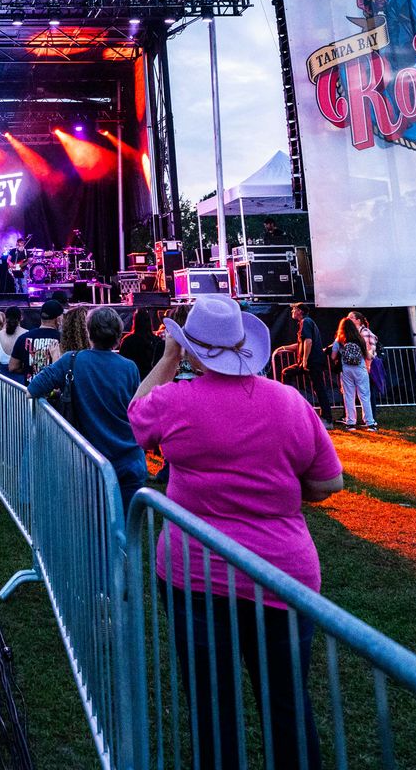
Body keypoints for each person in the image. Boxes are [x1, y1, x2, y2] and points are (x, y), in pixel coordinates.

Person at [129, 295, 341, 770]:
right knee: (287, 705)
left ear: (192, 350)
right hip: (283, 575)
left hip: (196, 576)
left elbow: (136, 412)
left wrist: (168, 358)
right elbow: (329, 482)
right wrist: (279, 494)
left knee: (212, 708)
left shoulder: (173, 401)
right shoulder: (290, 401)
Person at [28, 306, 148, 498]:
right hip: (129, 460)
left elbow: (34, 388)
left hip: (92, 462)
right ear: (118, 334)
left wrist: (57, 372)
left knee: (94, 523)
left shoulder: (72, 361)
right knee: (125, 525)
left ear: (89, 332)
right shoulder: (129, 368)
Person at [292, 304, 335, 424]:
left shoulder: (306, 322)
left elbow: (308, 341)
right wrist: (284, 348)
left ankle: (327, 419)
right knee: (288, 373)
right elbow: (301, 343)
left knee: (319, 388)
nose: (292, 311)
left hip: (313, 361)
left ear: (299, 311)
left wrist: (305, 360)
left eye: (294, 309)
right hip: (311, 361)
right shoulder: (306, 322)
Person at [333, 314, 376, 431]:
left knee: (349, 396)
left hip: (346, 370)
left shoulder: (340, 339)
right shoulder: (360, 339)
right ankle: (370, 423)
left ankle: (350, 423)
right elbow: (368, 356)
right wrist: (371, 352)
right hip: (360, 369)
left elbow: (333, 355)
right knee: (364, 396)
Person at [16, 299, 64, 373]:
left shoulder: (23, 338)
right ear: (58, 319)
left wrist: (29, 371)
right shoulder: (63, 339)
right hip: (53, 384)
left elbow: (12, 367)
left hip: (30, 384)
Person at [120, 306, 160, 380]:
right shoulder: (157, 341)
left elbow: (122, 362)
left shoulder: (128, 341)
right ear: (149, 322)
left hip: (134, 378)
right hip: (153, 379)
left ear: (135, 321)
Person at [0, 310, 25, 375]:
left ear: (6, 318)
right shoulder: (27, 334)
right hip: (22, 380)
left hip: (3, 378)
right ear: (21, 318)